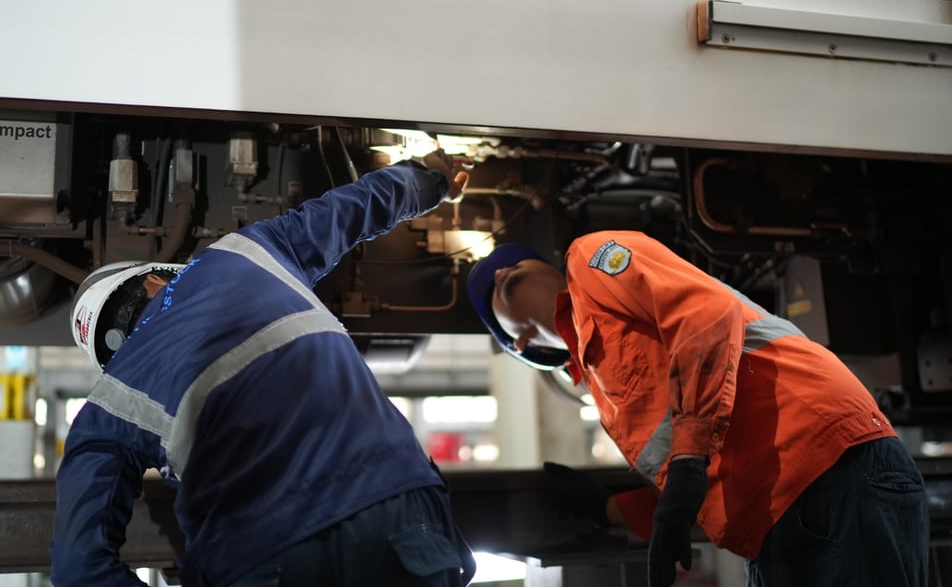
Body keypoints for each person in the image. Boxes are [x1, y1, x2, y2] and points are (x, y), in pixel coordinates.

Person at [50, 149, 477, 587]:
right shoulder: (246, 252)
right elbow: (358, 206)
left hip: (258, 557)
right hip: (396, 510)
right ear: (154, 279)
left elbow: (78, 568)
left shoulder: (108, 404)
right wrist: (431, 178)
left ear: (112, 359)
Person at [467, 230, 929, 587]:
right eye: (495, 289)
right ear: (518, 344)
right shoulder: (604, 385)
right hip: (781, 510)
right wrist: (614, 510)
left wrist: (688, 463)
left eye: (514, 265)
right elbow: (694, 472)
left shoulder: (589, 260)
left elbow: (703, 315)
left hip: (824, 467)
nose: (504, 270)